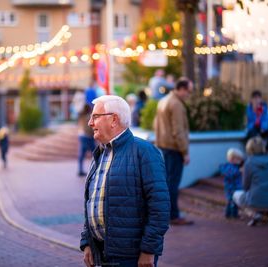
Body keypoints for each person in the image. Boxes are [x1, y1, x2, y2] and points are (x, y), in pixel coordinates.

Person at [80, 95, 170, 267]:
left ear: (114, 119)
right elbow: (91, 203)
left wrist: (148, 250)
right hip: (102, 253)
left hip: (132, 257)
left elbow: (160, 206)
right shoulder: (99, 153)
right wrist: (87, 242)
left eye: (95, 117)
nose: (90, 123)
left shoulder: (144, 152)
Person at [154, 78, 194, 225]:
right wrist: (185, 152)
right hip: (174, 148)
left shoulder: (164, 100)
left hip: (164, 146)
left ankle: (167, 214)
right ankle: (173, 215)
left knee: (167, 182)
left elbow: (156, 125)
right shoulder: (176, 104)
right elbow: (178, 131)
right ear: (182, 89)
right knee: (173, 184)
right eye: (188, 91)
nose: (188, 95)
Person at [233, 137, 268, 226]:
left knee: (235, 195)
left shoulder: (249, 163)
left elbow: (245, 186)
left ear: (249, 148)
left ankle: (255, 215)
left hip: (256, 202)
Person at [219, 148, 244, 219]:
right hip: (232, 187)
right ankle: (233, 214)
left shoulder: (234, 167)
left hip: (234, 186)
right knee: (233, 201)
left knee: (231, 201)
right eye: (238, 159)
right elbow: (231, 174)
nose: (240, 161)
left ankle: (229, 213)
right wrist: (239, 171)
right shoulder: (230, 167)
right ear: (232, 159)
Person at [77, 104, 96, 176]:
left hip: (81, 135)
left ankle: (80, 170)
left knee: (82, 154)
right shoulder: (88, 117)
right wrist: (93, 134)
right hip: (87, 136)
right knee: (95, 153)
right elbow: (88, 128)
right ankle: (95, 169)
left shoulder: (81, 116)